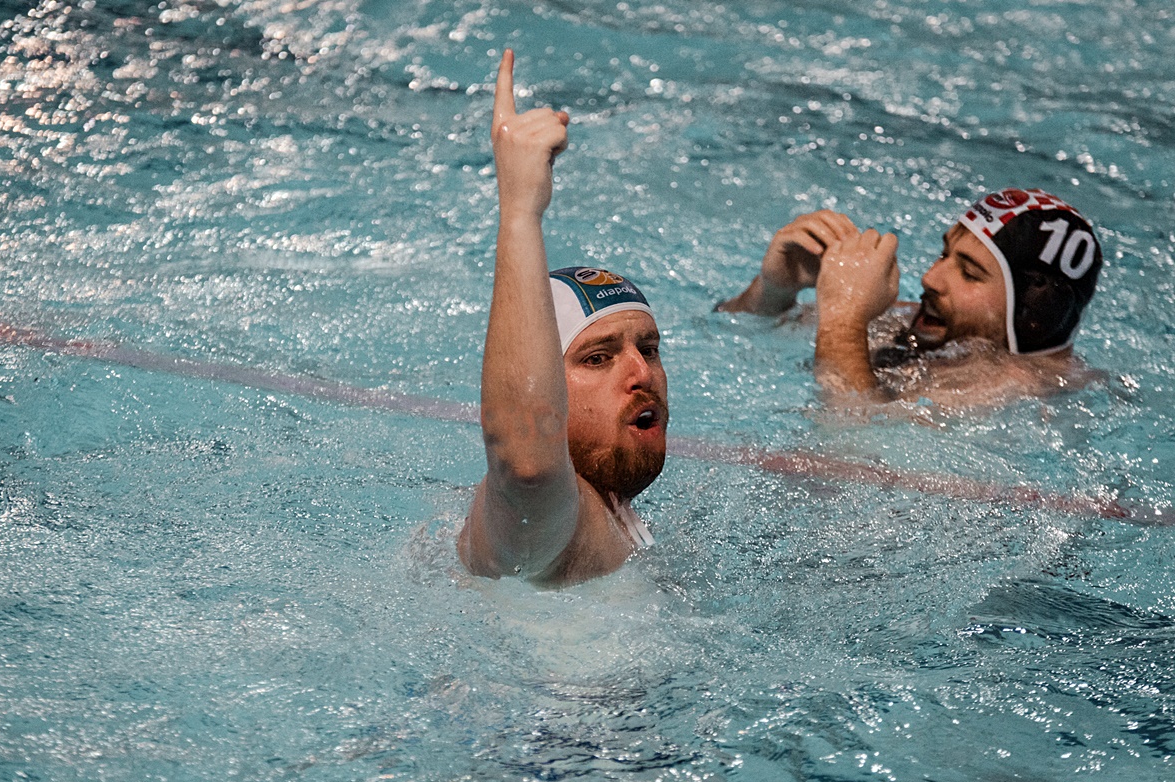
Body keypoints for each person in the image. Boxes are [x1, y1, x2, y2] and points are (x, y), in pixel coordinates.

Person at [457, 51, 669, 587]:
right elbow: (526, 465)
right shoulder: (541, 527)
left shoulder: (611, 512)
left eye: (647, 347)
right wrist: (520, 211)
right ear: (550, 383)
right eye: (596, 358)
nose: (641, 373)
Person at [717, 188, 1103, 406]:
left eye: (969, 272)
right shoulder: (925, 326)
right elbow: (729, 331)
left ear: (1032, 316)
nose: (931, 277)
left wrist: (844, 320)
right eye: (944, 253)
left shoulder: (1019, 390)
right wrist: (775, 291)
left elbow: (849, 438)